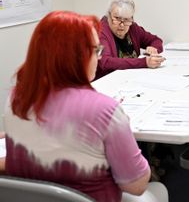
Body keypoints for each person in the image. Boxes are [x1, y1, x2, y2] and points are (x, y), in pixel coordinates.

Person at [3, 11, 168, 202]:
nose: (98, 58)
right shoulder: (105, 110)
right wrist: (122, 132)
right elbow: (136, 186)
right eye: (96, 50)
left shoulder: (15, 98)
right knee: (158, 190)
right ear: (76, 56)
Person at [95, 0, 165, 79]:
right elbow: (105, 62)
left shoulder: (133, 27)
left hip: (131, 79)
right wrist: (144, 62)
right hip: (107, 82)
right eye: (117, 18)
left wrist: (153, 49)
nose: (122, 25)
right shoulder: (100, 32)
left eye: (126, 19)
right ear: (108, 15)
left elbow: (156, 40)